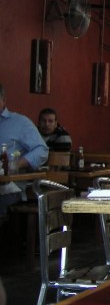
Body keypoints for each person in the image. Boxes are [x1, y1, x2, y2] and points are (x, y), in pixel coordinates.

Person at [0, 84, 48, 216]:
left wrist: (16, 164)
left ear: (4, 100)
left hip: (9, 187)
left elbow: (42, 150)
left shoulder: (20, 123)